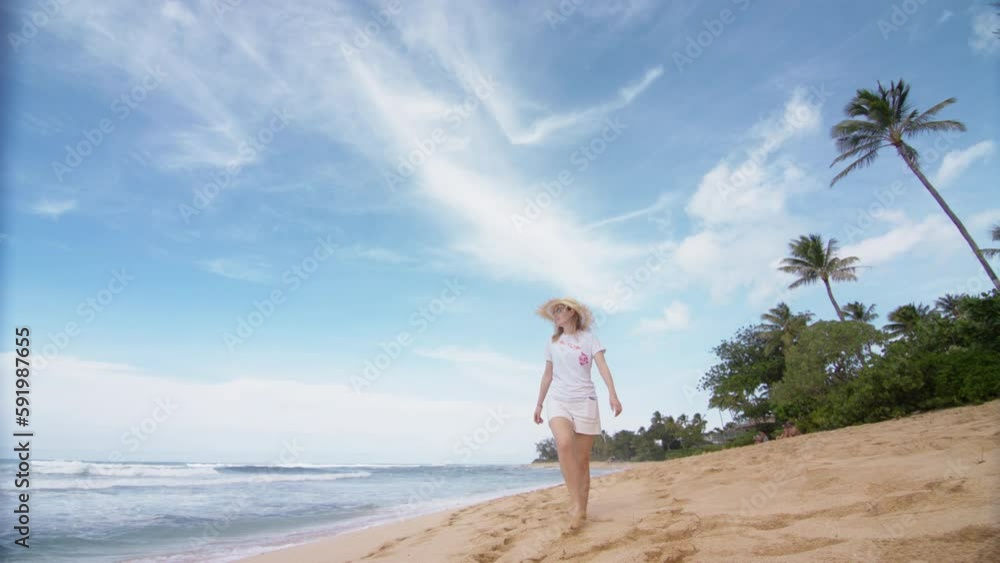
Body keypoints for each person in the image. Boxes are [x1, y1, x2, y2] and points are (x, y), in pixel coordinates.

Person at [533, 297, 622, 530]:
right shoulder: (553, 342)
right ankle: (575, 503)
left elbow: (602, 366)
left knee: (582, 460)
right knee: (563, 443)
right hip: (558, 400)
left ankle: (581, 508)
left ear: (572, 312)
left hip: (585, 401)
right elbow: (547, 375)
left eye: (559, 310)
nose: (556, 314)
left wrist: (613, 394)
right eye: (554, 312)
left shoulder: (589, 338)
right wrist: (539, 404)